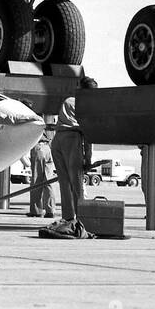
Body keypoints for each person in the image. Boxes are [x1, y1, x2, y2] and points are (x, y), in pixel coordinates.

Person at [48, 77, 97, 236]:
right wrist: (88, 158)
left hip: (57, 139)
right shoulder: (88, 105)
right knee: (76, 181)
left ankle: (68, 218)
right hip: (72, 139)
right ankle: (82, 219)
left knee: (64, 182)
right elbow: (88, 133)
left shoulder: (68, 100)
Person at [28, 130, 56, 218]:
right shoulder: (50, 121)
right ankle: (50, 210)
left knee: (37, 180)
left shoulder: (34, 118)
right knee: (49, 182)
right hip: (48, 148)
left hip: (38, 146)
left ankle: (36, 210)